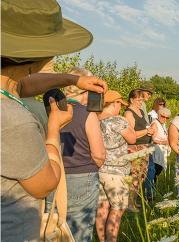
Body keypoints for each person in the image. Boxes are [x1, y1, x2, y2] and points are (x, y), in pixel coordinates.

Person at [1, 0, 107, 241]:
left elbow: (21, 84)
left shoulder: (6, 88)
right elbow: (45, 184)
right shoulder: (14, 119)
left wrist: (72, 80)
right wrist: (53, 128)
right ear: (34, 57)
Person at [55, 67, 106, 242]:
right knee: (79, 231)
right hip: (82, 175)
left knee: (56, 230)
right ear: (87, 88)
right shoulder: (86, 114)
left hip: (55, 175)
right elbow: (99, 154)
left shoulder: (52, 111)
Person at [96, 90, 136, 242]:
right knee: (117, 210)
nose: (121, 107)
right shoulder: (117, 121)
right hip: (117, 172)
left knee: (102, 209)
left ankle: (101, 239)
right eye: (120, 104)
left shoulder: (94, 119)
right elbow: (132, 138)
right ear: (115, 103)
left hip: (99, 169)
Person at [124, 89, 155, 211]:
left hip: (145, 147)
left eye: (142, 99)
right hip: (135, 148)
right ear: (131, 100)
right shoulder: (129, 113)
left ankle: (133, 201)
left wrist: (151, 130)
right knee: (135, 176)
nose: (140, 102)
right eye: (138, 100)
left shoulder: (141, 111)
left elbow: (145, 127)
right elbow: (130, 134)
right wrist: (147, 131)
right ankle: (129, 204)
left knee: (141, 176)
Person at [145, 107, 172, 200]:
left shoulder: (162, 124)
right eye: (163, 116)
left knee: (156, 172)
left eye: (167, 117)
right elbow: (153, 139)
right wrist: (165, 142)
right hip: (156, 151)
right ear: (158, 115)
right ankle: (150, 194)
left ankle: (152, 191)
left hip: (161, 152)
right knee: (154, 172)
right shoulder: (155, 124)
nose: (164, 119)